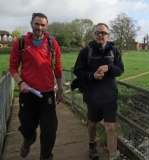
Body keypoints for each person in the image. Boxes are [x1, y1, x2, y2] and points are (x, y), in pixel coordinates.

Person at [9, 13, 63, 160]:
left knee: (49, 130)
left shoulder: (52, 43)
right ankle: (29, 139)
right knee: (27, 126)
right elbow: (13, 68)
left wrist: (60, 89)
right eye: (37, 24)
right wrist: (21, 82)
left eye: (43, 25)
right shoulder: (20, 43)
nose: (40, 27)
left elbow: (58, 67)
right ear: (31, 23)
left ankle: (46, 157)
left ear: (46, 26)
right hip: (27, 93)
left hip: (47, 94)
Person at [73, 23, 124, 160]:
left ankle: (113, 156)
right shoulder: (86, 51)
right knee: (93, 123)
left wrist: (109, 67)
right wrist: (92, 76)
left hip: (110, 95)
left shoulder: (114, 51)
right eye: (97, 33)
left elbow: (120, 70)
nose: (100, 35)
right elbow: (77, 71)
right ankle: (92, 145)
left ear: (108, 36)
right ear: (94, 35)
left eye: (103, 33)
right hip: (92, 95)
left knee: (110, 126)